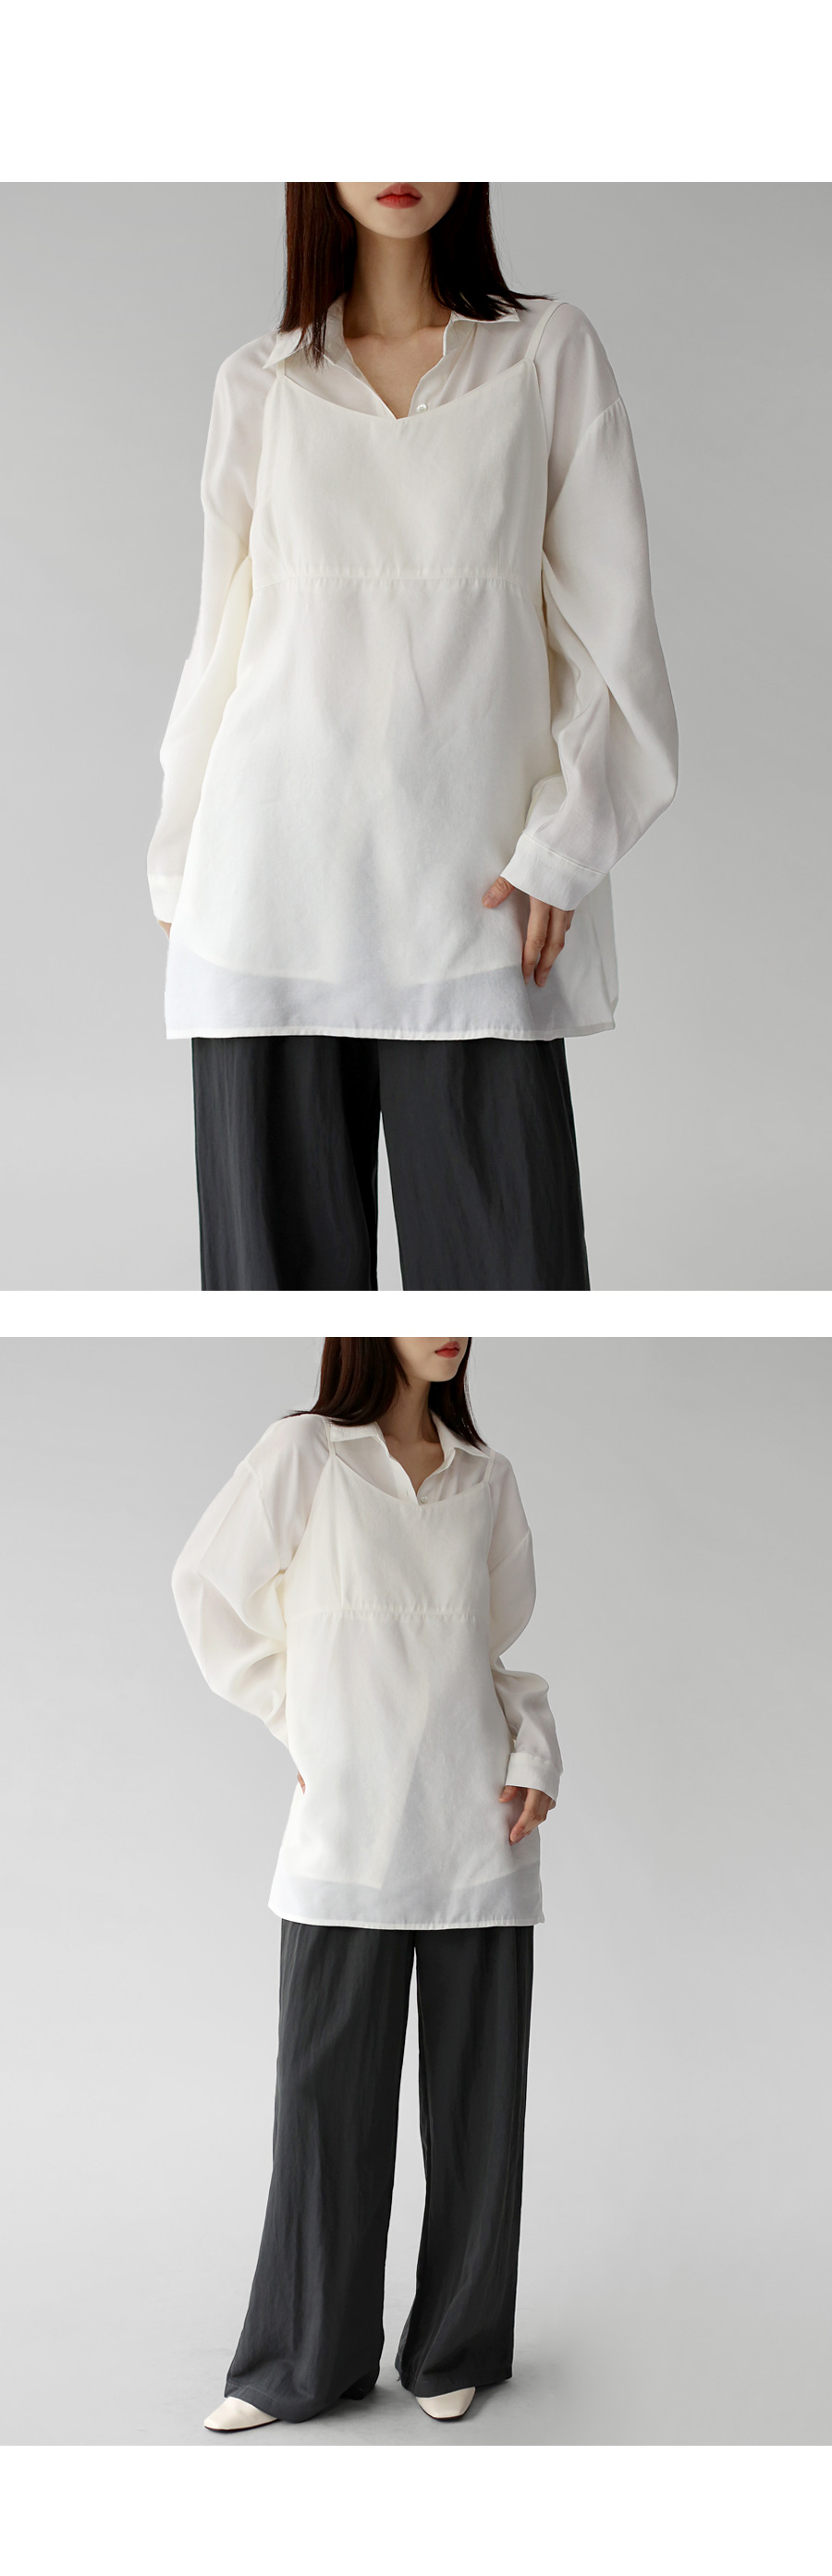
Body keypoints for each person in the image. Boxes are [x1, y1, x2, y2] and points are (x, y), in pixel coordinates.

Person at [148, 182, 678, 1293]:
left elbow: (613, 638)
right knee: (272, 1298)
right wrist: (180, 864)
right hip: (265, 900)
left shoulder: (547, 355)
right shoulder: (258, 383)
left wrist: (566, 844)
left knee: (516, 1285)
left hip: (475, 904)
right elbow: (222, 646)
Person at [171, 1332, 561, 2434]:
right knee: (322, 2110)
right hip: (345, 1839)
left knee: (479, 2113)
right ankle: (304, 2356)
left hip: (479, 1836)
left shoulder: (488, 1478)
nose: (450, 1325)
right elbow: (207, 1591)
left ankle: (456, 2345)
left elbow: (485, 1658)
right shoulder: (305, 1454)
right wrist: (304, 1724)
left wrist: (535, 1753)